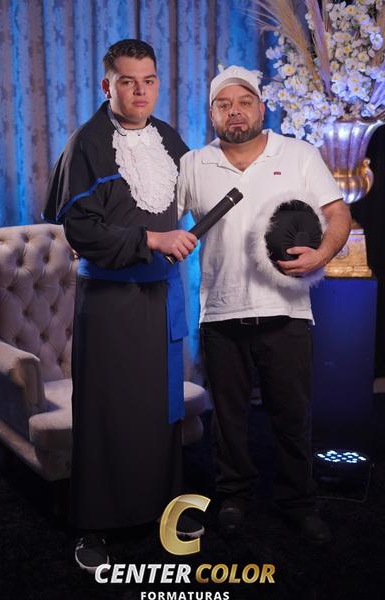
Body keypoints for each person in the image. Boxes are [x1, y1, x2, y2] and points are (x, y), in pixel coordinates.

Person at [43, 39, 199, 572]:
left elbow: (190, 197)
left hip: (160, 296)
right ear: (107, 85)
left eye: (149, 81)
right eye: (128, 82)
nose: (140, 92)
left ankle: (161, 508)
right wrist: (153, 240)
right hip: (110, 302)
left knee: (158, 408)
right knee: (108, 412)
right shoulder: (87, 144)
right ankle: (95, 525)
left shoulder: (168, 138)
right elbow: (81, 231)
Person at [177, 65, 351, 544]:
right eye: (223, 105)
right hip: (220, 311)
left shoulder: (298, 154)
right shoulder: (193, 164)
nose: (234, 112)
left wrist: (322, 254)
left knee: (292, 414)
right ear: (212, 113)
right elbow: (163, 220)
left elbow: (338, 212)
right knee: (228, 418)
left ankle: (298, 501)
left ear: (261, 107)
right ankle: (234, 496)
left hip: (286, 309)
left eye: (244, 102)